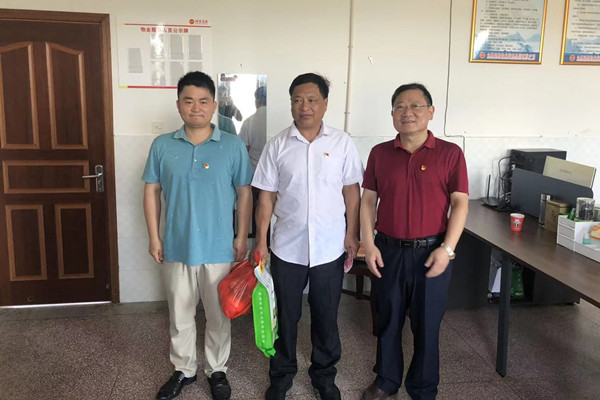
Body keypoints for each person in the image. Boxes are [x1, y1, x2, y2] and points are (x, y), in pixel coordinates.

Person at [252, 73, 363, 400]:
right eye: (298, 100)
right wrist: (261, 242)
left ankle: (324, 377)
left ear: (325, 104)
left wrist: (352, 234)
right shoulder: (277, 145)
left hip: (330, 247)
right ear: (291, 104)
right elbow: (266, 198)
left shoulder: (341, 143)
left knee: (326, 316)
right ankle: (281, 376)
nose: (305, 106)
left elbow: (352, 193)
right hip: (287, 247)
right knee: (285, 317)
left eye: (312, 100)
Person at [142, 71, 253, 400]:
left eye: (203, 101)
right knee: (180, 314)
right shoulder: (162, 145)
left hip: (219, 247)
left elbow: (245, 193)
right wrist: (154, 237)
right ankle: (184, 369)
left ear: (214, 105)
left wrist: (241, 236)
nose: (196, 108)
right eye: (188, 101)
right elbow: (151, 191)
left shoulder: (232, 145)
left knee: (219, 315)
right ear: (178, 105)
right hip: (176, 245)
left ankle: (217, 370)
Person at [360, 83, 469, 400]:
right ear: (392, 113)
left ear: (431, 112)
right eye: (399, 106)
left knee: (427, 324)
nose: (407, 112)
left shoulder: (450, 153)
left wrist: (447, 250)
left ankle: (423, 387)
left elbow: (460, 203)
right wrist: (369, 243)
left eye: (415, 105)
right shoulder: (380, 153)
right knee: (388, 318)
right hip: (388, 250)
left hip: (431, 252)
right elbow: (368, 201)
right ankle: (387, 379)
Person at [239, 86, 267, 172]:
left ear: (257, 102)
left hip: (254, 170)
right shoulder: (277, 120)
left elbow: (243, 150)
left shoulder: (248, 122)